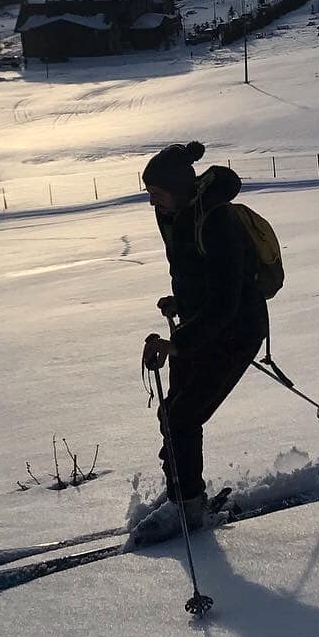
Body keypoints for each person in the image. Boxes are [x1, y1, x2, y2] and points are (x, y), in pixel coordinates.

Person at [130, 141, 268, 546]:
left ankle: (187, 506)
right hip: (198, 324)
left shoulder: (218, 220)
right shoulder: (172, 214)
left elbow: (227, 300)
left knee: (184, 415)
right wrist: (180, 302)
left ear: (179, 188)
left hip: (236, 330)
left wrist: (179, 343)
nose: (151, 200)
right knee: (173, 412)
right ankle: (181, 490)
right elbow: (195, 272)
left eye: (156, 192)